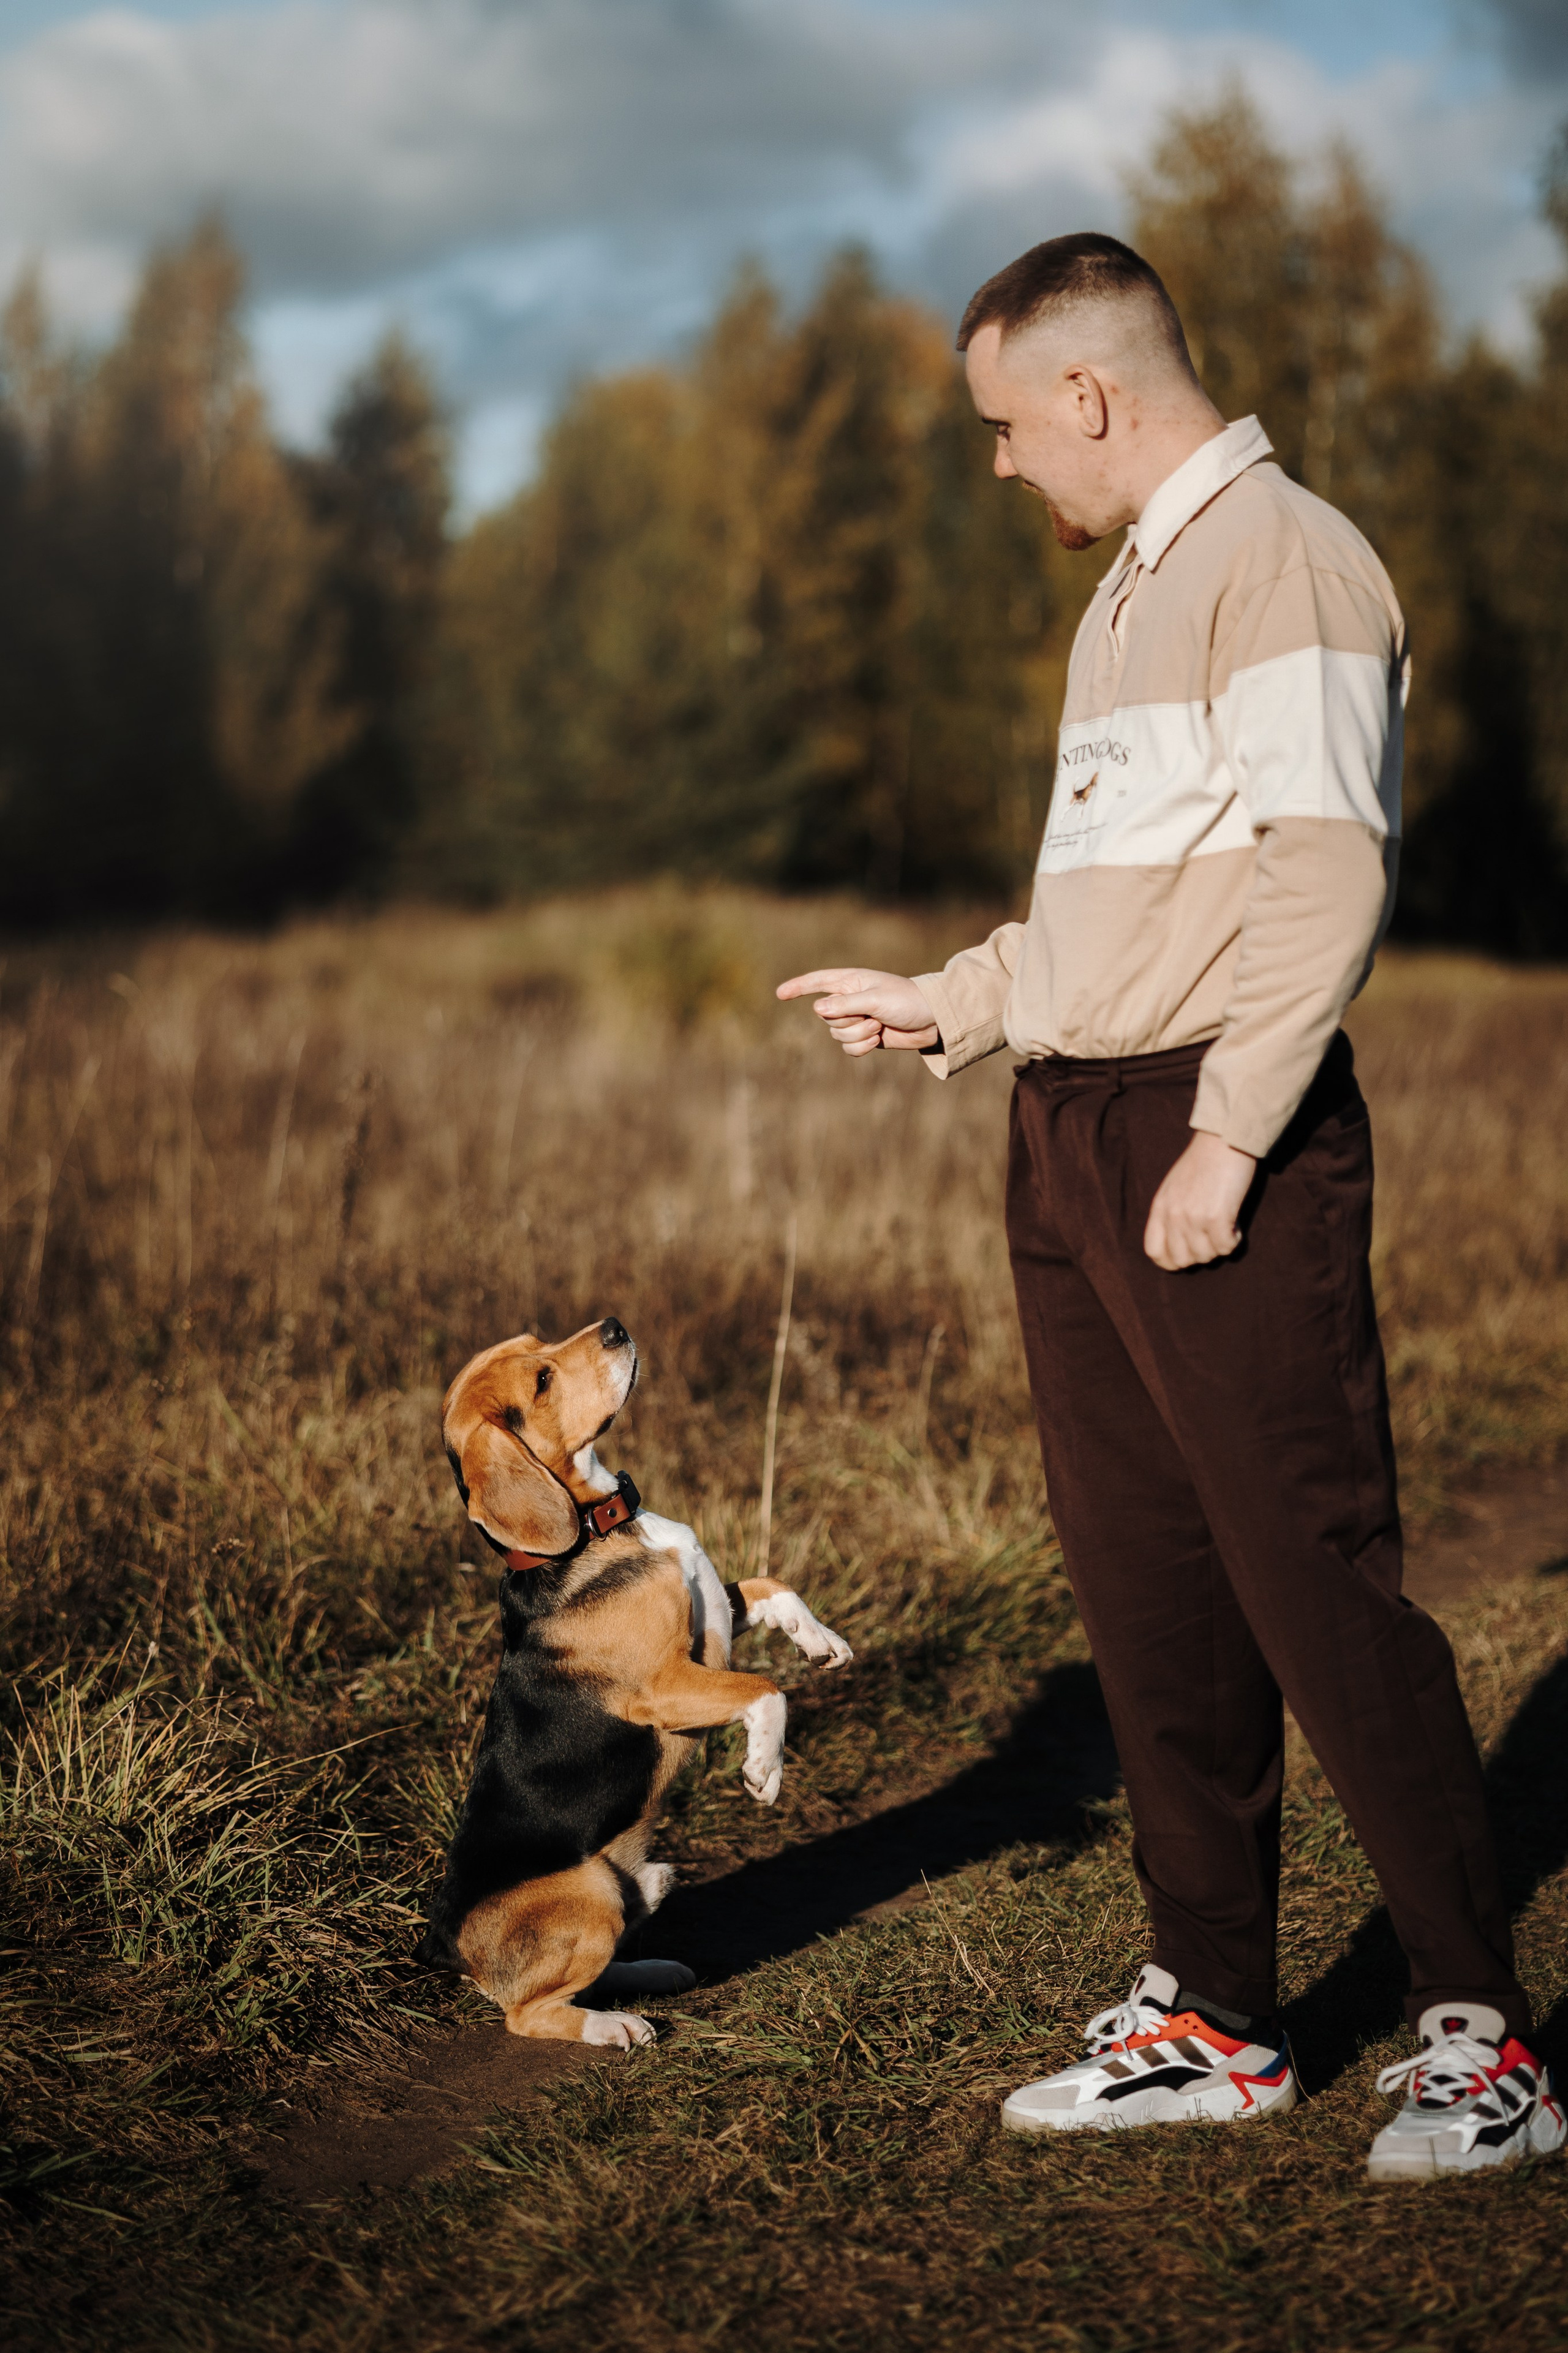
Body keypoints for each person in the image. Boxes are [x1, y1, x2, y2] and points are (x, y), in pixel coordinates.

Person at [777, 233, 1565, 2183]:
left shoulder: (1284, 560)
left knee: (1314, 1581)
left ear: (1090, 394)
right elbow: (1115, 911)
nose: (999, 464)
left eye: (1004, 426)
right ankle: (1220, 2012)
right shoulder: (1130, 590)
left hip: (1215, 1132)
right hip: (1073, 1127)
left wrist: (1228, 1140)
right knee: (1152, 1591)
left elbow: (1323, 874)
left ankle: (1484, 2034)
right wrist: (956, 1001)